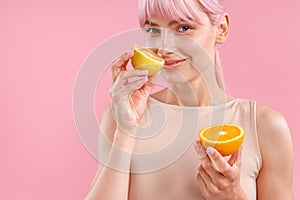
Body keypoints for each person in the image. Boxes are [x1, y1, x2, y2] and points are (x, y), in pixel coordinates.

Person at [85, 0, 294, 199]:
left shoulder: (265, 126)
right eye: (153, 29)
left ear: (221, 29)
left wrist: (233, 198)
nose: (165, 47)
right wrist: (126, 130)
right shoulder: (121, 117)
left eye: (183, 28)